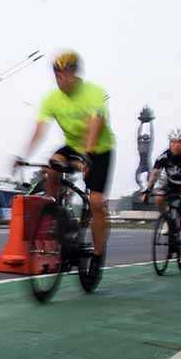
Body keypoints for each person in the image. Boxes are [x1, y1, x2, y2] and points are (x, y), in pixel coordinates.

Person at [19, 50, 115, 276]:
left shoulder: (93, 93)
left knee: (96, 202)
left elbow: (95, 123)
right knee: (52, 167)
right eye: (57, 75)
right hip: (72, 146)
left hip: (99, 150)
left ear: (75, 73)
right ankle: (58, 214)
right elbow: (39, 129)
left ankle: (98, 256)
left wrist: (87, 155)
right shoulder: (52, 99)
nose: (61, 80)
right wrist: (24, 155)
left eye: (65, 75)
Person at [142, 128, 181, 265]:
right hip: (171, 185)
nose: (176, 145)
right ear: (169, 143)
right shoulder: (163, 156)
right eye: (173, 142)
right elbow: (154, 174)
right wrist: (147, 189)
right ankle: (167, 220)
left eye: (179, 142)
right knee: (158, 197)